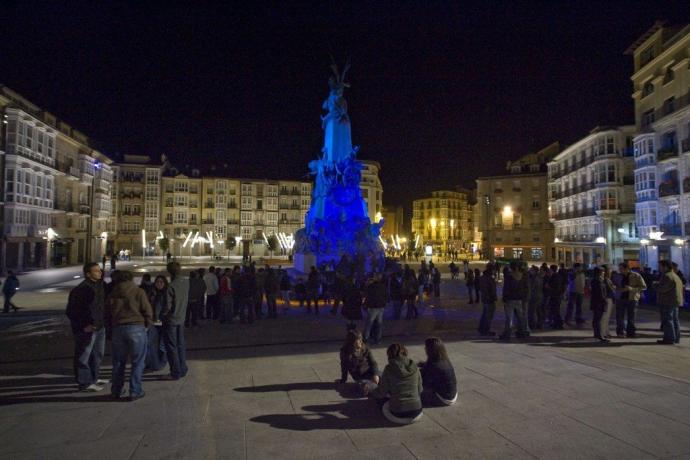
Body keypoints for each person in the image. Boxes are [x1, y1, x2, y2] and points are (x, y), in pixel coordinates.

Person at [105, 270, 153, 400]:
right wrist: (147, 325)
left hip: (118, 329)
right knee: (138, 362)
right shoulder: (138, 291)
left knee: (118, 362)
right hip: (137, 328)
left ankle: (116, 390)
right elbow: (147, 310)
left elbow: (107, 313)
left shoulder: (113, 294)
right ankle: (135, 390)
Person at [65, 262, 107, 392]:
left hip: (99, 326)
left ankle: (94, 378)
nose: (99, 272)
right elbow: (72, 311)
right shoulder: (81, 290)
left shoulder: (100, 286)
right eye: (96, 271)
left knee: (97, 355)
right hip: (87, 328)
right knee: (83, 355)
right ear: (88, 274)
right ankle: (84, 383)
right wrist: (84, 326)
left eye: (99, 270)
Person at [371, 343, 423, 425]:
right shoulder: (414, 367)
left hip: (398, 413)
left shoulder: (389, 369)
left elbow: (382, 392)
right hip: (417, 412)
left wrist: (372, 392)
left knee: (379, 401)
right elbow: (420, 389)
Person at [161, 262, 189, 380]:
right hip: (181, 318)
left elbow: (167, 306)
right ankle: (183, 368)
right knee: (180, 344)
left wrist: (162, 315)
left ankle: (175, 372)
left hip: (171, 320)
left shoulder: (171, 286)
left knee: (171, 347)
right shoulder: (185, 283)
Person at [338, 330, 380, 395]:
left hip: (369, 371)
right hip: (360, 376)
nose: (361, 341)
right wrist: (343, 379)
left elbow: (373, 362)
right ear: (352, 342)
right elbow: (344, 367)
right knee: (364, 388)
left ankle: (378, 386)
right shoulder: (345, 352)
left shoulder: (365, 347)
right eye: (358, 340)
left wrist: (375, 375)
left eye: (361, 339)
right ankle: (375, 387)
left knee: (385, 377)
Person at [418, 337, 457, 406]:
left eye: (426, 347)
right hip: (453, 394)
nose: (425, 349)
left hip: (443, 398)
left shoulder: (434, 366)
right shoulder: (445, 360)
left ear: (430, 350)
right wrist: (423, 364)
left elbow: (422, 379)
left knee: (413, 392)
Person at [615, 262, 646, 338]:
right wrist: (618, 289)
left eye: (621, 269)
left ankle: (630, 332)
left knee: (631, 317)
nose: (620, 270)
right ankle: (620, 332)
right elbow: (614, 285)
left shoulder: (636, 275)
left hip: (632, 299)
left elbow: (643, 287)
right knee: (620, 316)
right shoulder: (618, 276)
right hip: (620, 298)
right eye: (619, 268)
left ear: (627, 269)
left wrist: (632, 289)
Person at [500, 261, 528, 340]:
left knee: (509, 317)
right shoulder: (522, 276)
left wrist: (504, 298)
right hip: (519, 299)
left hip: (510, 299)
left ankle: (507, 334)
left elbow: (506, 289)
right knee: (520, 317)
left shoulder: (509, 277)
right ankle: (521, 332)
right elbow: (525, 288)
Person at [655, 260, 682, 345]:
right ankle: (676, 338)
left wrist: (655, 285)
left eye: (660, 266)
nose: (659, 268)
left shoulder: (667, 276)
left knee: (667, 320)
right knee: (674, 320)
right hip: (675, 301)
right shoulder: (675, 275)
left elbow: (663, 289)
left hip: (667, 301)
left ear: (665, 266)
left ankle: (669, 339)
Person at [145, 275, 168, 371]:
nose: (159, 284)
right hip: (153, 323)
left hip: (164, 322)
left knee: (162, 344)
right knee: (150, 344)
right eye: (157, 282)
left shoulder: (167, 294)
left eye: (161, 282)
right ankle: (152, 363)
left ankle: (161, 362)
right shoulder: (151, 293)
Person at [363, 273, 387, 344]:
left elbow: (367, 295)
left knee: (369, 323)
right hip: (381, 307)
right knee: (379, 324)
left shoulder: (371, 286)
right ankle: (378, 339)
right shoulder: (383, 286)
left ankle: (366, 338)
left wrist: (366, 305)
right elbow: (386, 295)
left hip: (373, 307)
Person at [589, 267, 610, 343]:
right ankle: (599, 335)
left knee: (596, 319)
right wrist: (605, 301)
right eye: (603, 272)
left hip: (595, 302)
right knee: (598, 319)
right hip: (599, 303)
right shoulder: (599, 281)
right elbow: (601, 293)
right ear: (600, 272)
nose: (604, 273)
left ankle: (597, 334)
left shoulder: (594, 280)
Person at [477, 264, 497, 336]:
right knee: (488, 315)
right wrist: (494, 297)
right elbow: (492, 289)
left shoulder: (482, 277)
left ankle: (481, 328)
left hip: (484, 298)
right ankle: (486, 330)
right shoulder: (489, 278)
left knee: (485, 314)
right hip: (489, 299)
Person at [546, 264, 564, 329]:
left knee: (555, 310)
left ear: (551, 269)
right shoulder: (558, 276)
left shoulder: (554, 276)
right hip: (557, 295)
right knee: (555, 310)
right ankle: (557, 323)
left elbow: (555, 287)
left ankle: (558, 323)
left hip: (554, 295)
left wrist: (548, 287)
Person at [527, 265, 544, 330]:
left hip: (534, 296)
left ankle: (532, 325)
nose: (530, 271)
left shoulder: (533, 278)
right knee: (539, 311)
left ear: (534, 271)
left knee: (532, 311)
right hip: (539, 296)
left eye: (531, 270)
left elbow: (531, 287)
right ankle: (540, 324)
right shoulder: (539, 277)